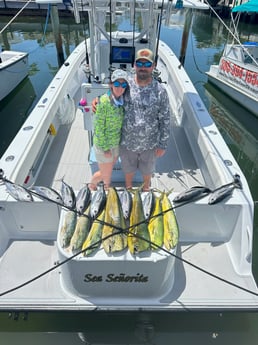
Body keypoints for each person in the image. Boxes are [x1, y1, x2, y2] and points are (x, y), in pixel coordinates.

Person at [92, 48, 171, 191]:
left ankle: (146, 189)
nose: (143, 68)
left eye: (147, 64)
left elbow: (165, 119)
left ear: (153, 66)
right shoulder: (126, 84)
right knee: (128, 170)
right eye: (139, 64)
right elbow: (114, 91)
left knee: (147, 171)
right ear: (134, 65)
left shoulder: (160, 91)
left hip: (150, 143)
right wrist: (97, 99)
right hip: (127, 142)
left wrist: (163, 144)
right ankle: (128, 189)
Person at [90, 69, 128, 190]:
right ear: (111, 84)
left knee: (109, 169)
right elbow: (99, 129)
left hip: (115, 144)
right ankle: (92, 186)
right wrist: (106, 149)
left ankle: (106, 188)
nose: (120, 87)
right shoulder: (103, 102)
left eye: (123, 85)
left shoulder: (122, 100)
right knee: (105, 174)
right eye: (117, 84)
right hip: (104, 146)